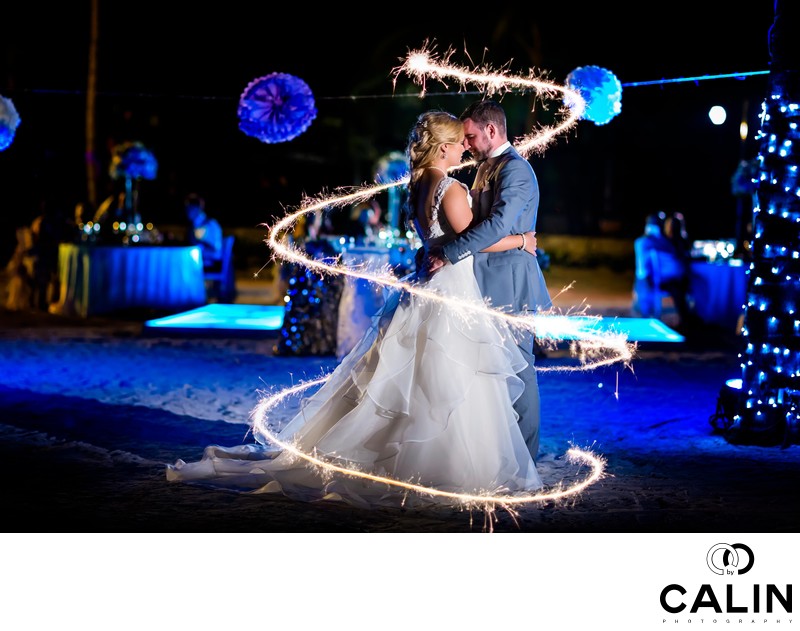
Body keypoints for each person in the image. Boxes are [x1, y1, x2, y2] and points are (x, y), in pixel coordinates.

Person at [166, 110, 543, 509]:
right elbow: (474, 238)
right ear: (446, 146)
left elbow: (449, 238)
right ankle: (451, 464)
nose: (466, 148)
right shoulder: (449, 188)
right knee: (448, 377)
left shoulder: (420, 184)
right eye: (460, 141)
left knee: (418, 374)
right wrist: (522, 241)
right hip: (448, 291)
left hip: (433, 288)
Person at [425, 99, 551, 462]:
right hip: (485, 281)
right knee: (492, 372)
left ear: (491, 130)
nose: (466, 144)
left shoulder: (516, 171)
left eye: (470, 136)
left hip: (511, 282)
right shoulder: (487, 167)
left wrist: (448, 253)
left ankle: (526, 456)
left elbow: (496, 227)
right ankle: (499, 452)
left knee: (520, 371)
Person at [633, 213, 694, 329]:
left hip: (663, 280)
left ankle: (646, 315)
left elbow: (642, 269)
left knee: (643, 278)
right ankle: (647, 315)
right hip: (668, 280)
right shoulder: (663, 242)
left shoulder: (645, 242)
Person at [184, 193, 223, 268]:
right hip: (200, 262)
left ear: (197, 208)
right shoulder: (194, 225)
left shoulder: (209, 225)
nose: (187, 211)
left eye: (189, 207)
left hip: (209, 263)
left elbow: (215, 252)